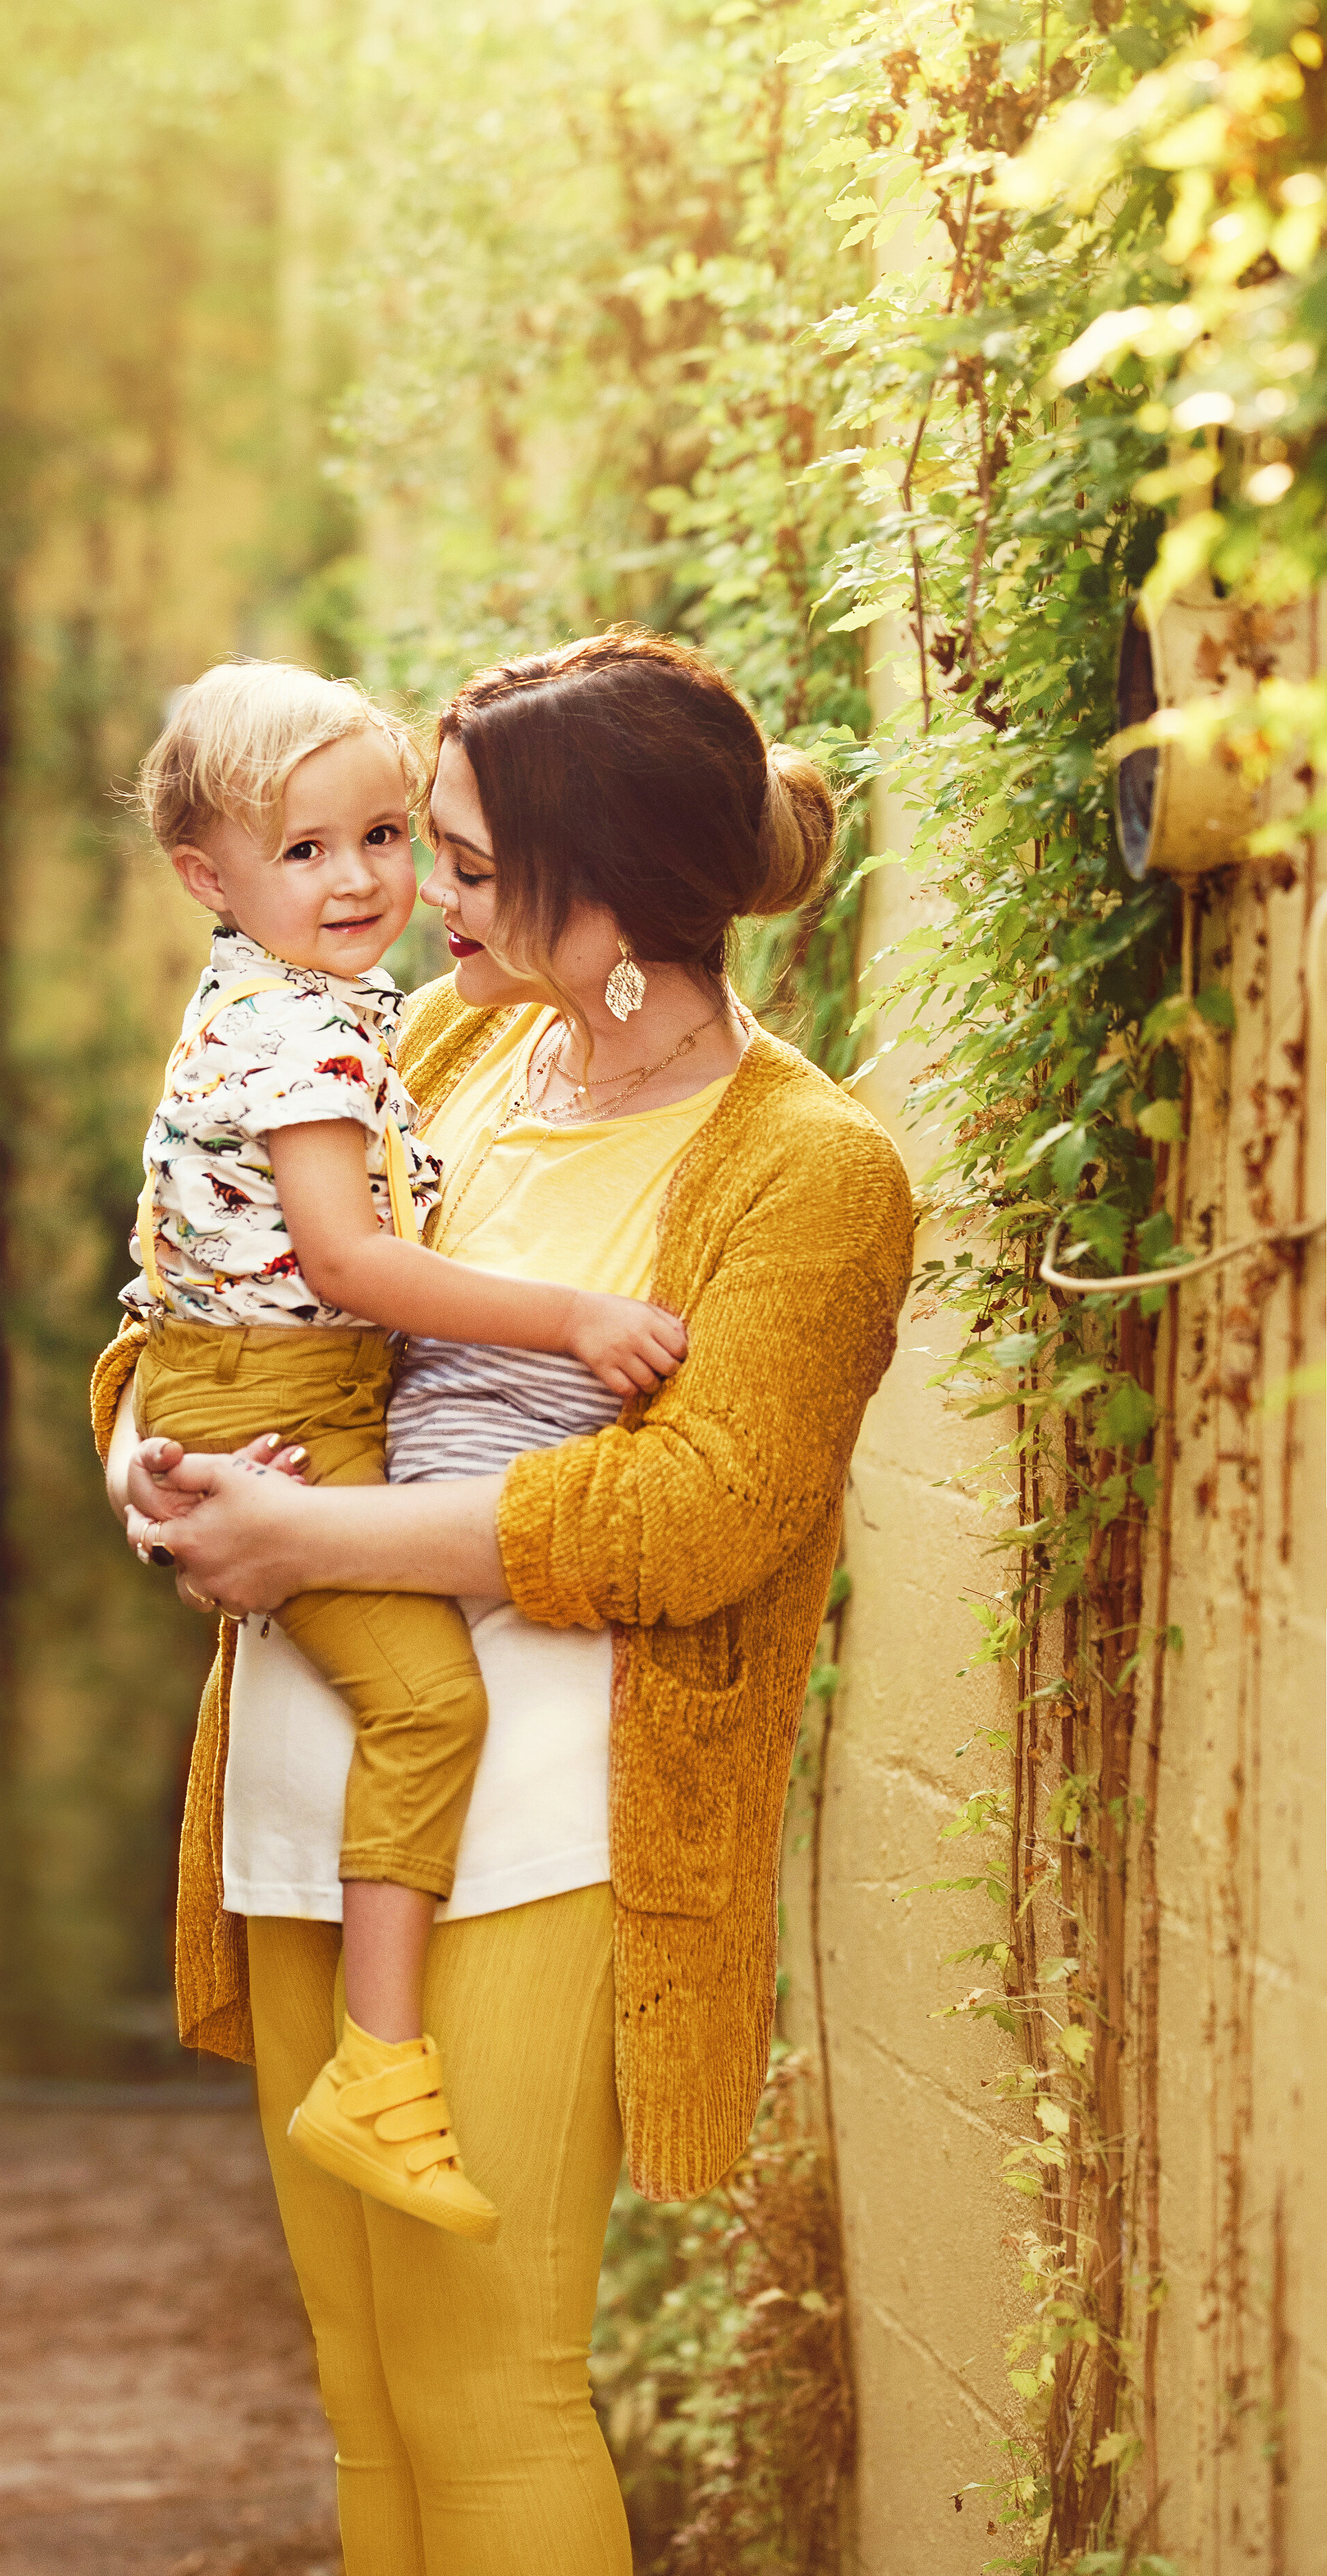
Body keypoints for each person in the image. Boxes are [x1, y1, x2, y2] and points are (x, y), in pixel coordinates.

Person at [97, 629, 914, 2576]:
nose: (413, 898)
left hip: (546, 1809)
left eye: (460, 863)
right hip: (311, 1758)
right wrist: (140, 1452)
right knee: (365, 2380)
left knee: (489, 2380)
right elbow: (218, 1289)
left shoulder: (810, 1170)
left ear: (602, 893)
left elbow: (698, 1510)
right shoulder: (442, 1043)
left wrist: (321, 1551)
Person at [114, 660, 688, 2244]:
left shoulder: (294, 1009)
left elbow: (183, 1247)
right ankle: (384, 2063)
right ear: (205, 876)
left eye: (386, 835)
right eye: (306, 851)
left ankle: (376, 2060)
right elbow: (351, 1268)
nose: (365, 879)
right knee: (430, 1705)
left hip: (254, 1397)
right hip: (274, 1400)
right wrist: (569, 1318)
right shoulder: (318, 1035)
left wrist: (163, 1436)